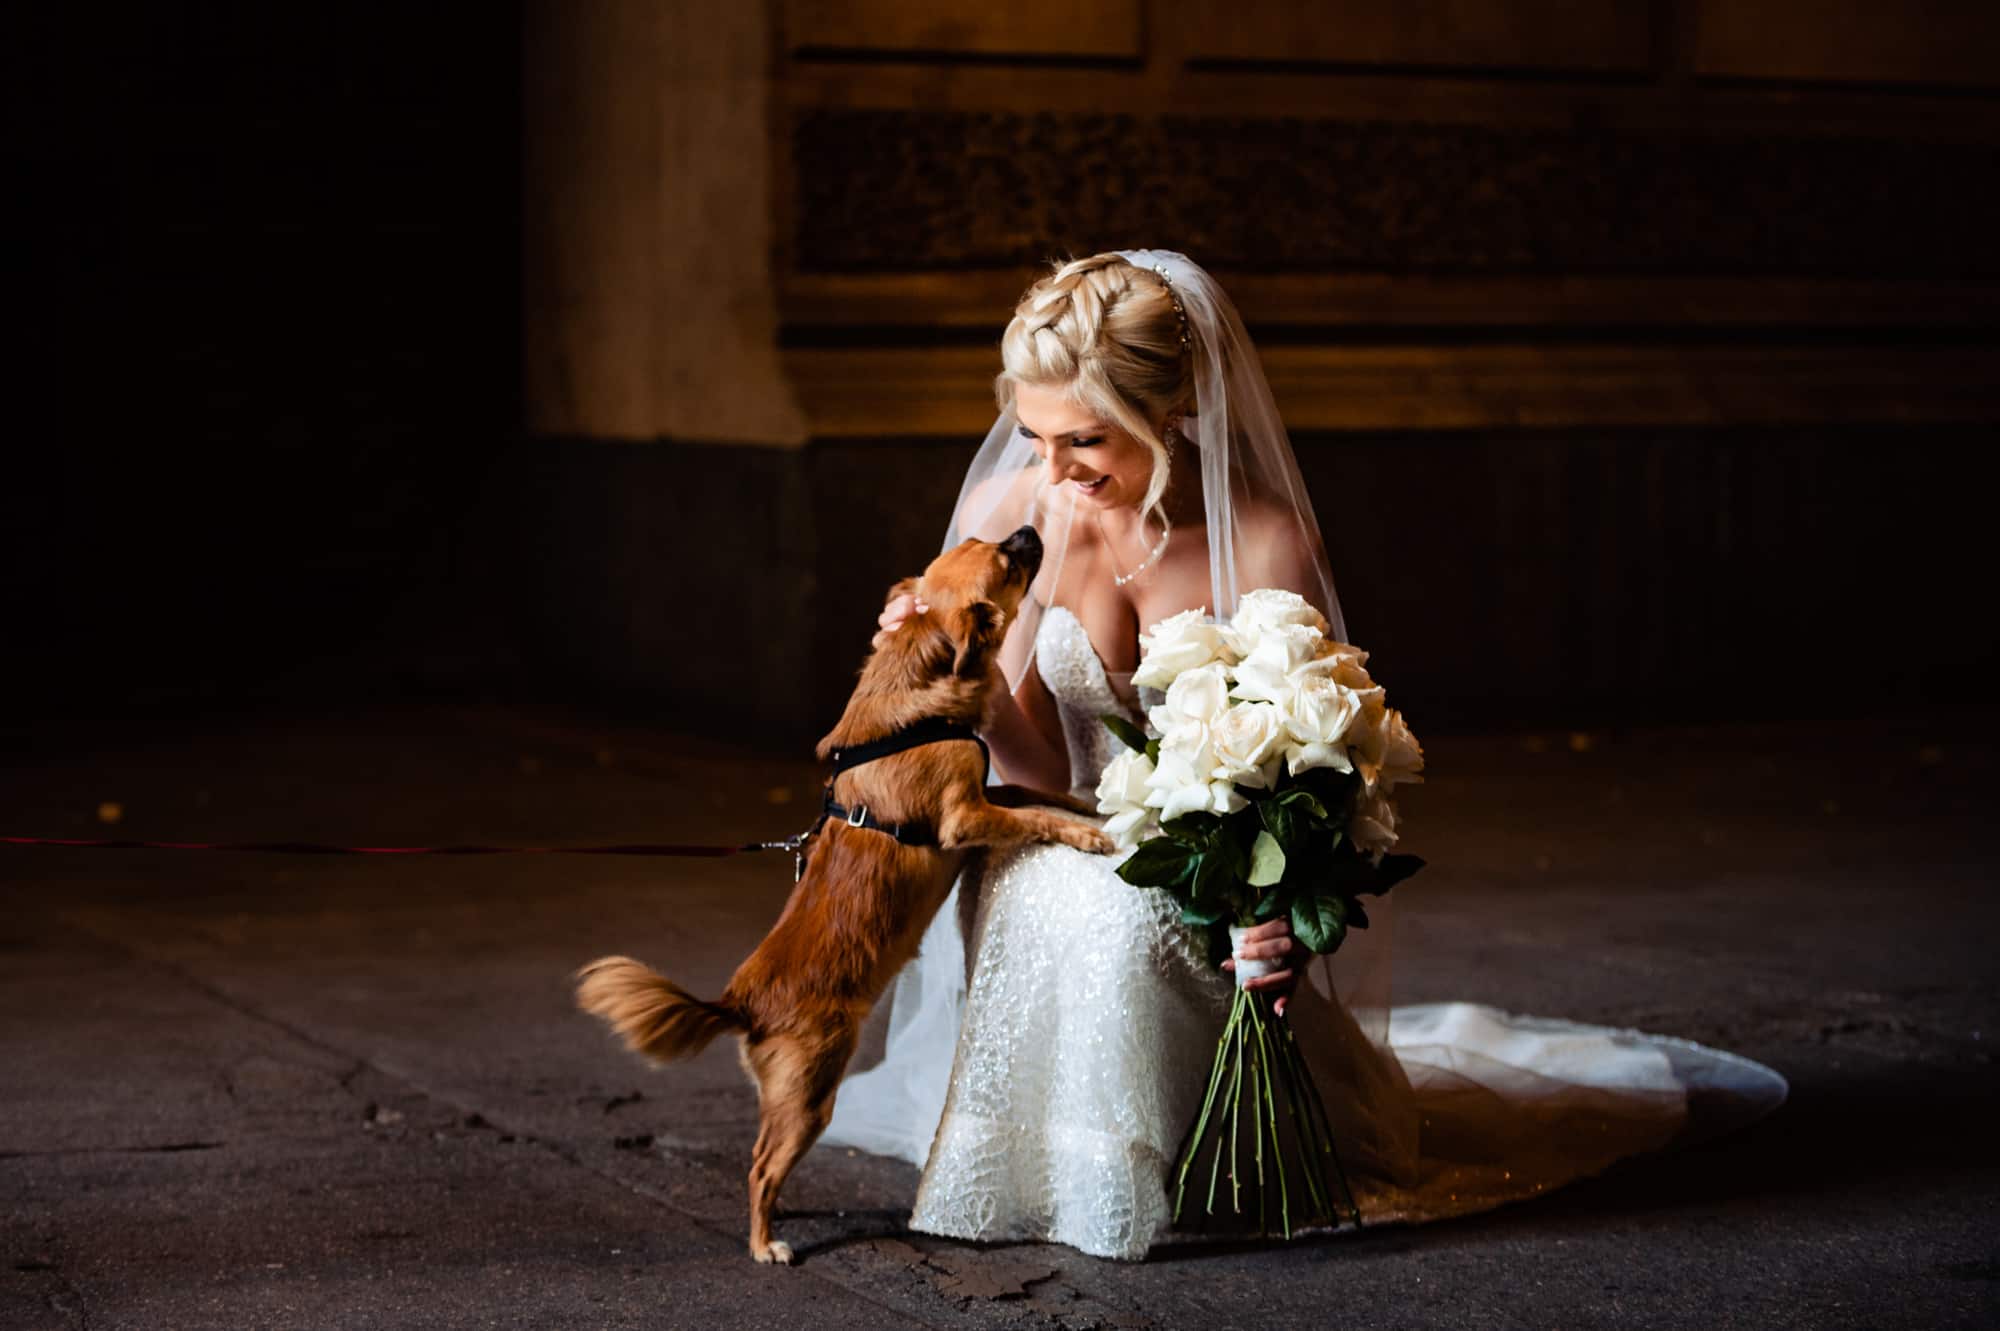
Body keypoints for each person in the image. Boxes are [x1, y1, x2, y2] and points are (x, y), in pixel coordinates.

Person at [819, 250, 1787, 1260]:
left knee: (1126, 907)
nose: (1053, 470)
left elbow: (1310, 763)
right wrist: (953, 678)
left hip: (1208, 856)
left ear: (1167, 410)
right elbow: (1035, 772)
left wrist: (1270, 900)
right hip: (1052, 825)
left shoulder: (1263, 538)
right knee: (1071, 897)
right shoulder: (1013, 515)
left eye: (1086, 439)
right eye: (1032, 434)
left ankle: (1164, 1158)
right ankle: (1071, 1168)